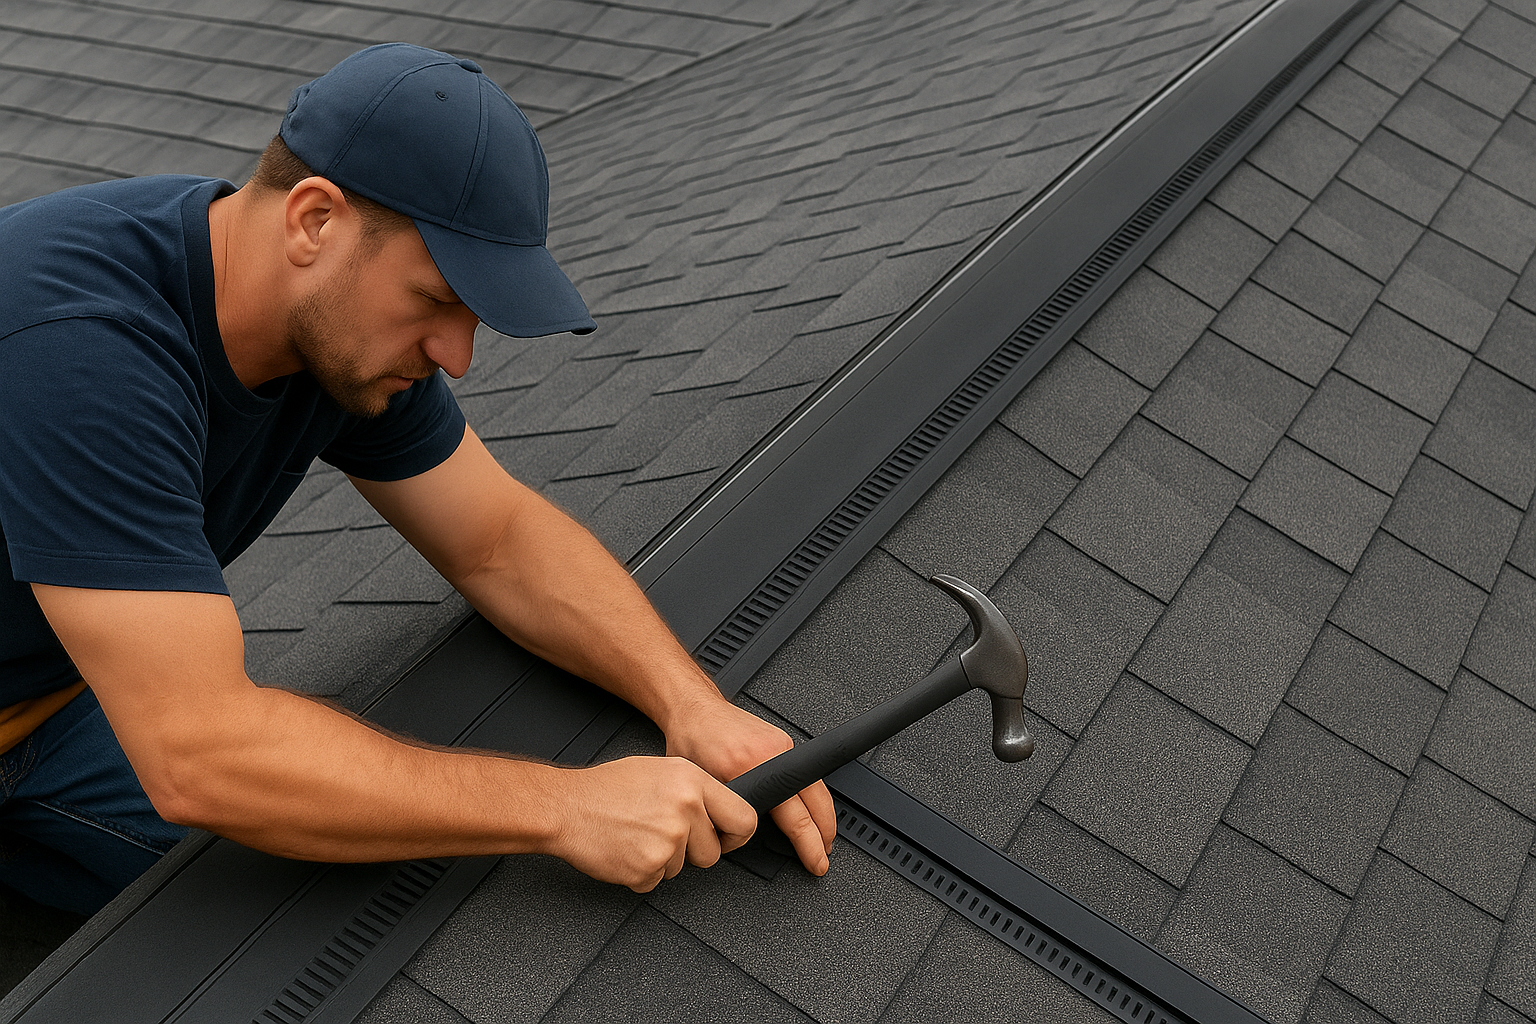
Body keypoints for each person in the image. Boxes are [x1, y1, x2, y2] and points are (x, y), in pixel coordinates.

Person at [0, 43, 836, 917]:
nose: (457, 357)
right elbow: (200, 751)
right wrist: (564, 806)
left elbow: (498, 541)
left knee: (319, 923)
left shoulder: (331, 325)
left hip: (58, 713)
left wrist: (688, 702)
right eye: (438, 301)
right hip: (140, 729)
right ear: (314, 221)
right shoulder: (78, 345)